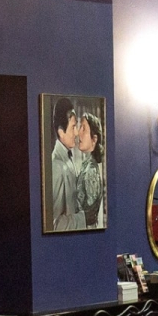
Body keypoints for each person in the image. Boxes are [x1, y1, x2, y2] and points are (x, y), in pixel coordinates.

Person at [47, 97, 86, 232]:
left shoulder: (68, 158)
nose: (76, 133)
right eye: (73, 127)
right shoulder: (56, 167)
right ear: (61, 132)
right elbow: (55, 224)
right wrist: (84, 218)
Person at [74, 110, 105, 229]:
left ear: (94, 139)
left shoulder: (91, 170)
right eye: (79, 127)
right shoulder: (86, 164)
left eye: (84, 129)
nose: (79, 133)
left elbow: (91, 214)